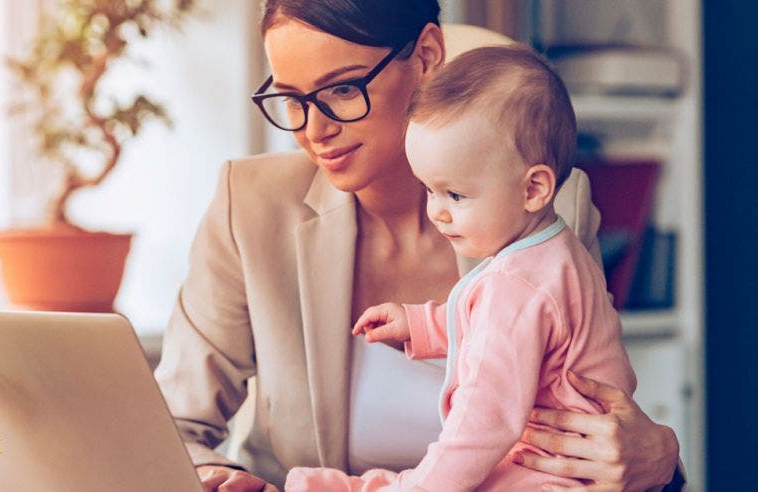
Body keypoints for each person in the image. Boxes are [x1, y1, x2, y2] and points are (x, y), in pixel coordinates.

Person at [154, 1, 682, 490]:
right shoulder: (248, 205)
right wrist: (219, 477)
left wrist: (659, 459)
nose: (313, 130)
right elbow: (171, 426)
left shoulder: (539, 213)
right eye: (291, 99)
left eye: (342, 90)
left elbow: (593, 404)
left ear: (427, 56)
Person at [285, 44, 638, 491]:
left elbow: (485, 423)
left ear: (534, 188)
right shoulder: (555, 252)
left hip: (554, 471)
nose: (437, 212)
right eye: (429, 190)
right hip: (557, 460)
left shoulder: (516, 284)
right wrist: (420, 324)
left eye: (455, 195)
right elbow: (503, 333)